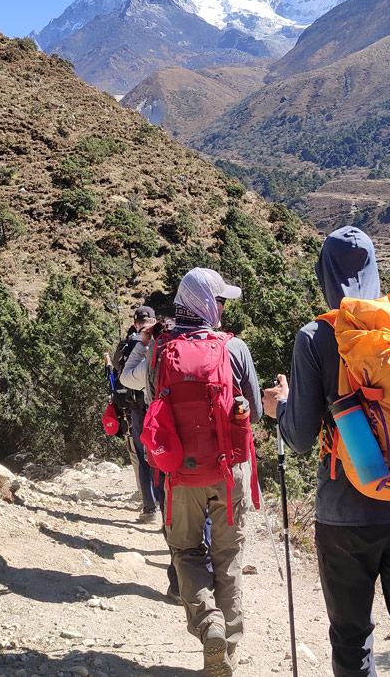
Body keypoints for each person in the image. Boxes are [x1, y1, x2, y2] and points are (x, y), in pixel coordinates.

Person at [262, 226, 390, 677]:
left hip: (344, 512)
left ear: (323, 274)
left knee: (351, 634)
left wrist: (278, 408)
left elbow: (301, 438)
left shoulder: (316, 336)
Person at [126, 267, 262, 677]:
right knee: (229, 556)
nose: (222, 308)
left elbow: (153, 406)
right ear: (205, 303)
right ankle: (229, 653)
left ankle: (208, 625)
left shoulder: (161, 348)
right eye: (219, 300)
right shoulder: (233, 348)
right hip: (227, 472)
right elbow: (253, 410)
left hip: (181, 476)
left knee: (185, 551)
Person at [112, 304, 167, 524]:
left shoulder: (130, 343)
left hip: (137, 409)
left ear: (136, 323)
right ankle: (168, 509)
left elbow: (120, 372)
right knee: (163, 456)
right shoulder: (164, 343)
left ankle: (149, 507)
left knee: (143, 458)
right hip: (160, 409)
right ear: (154, 321)